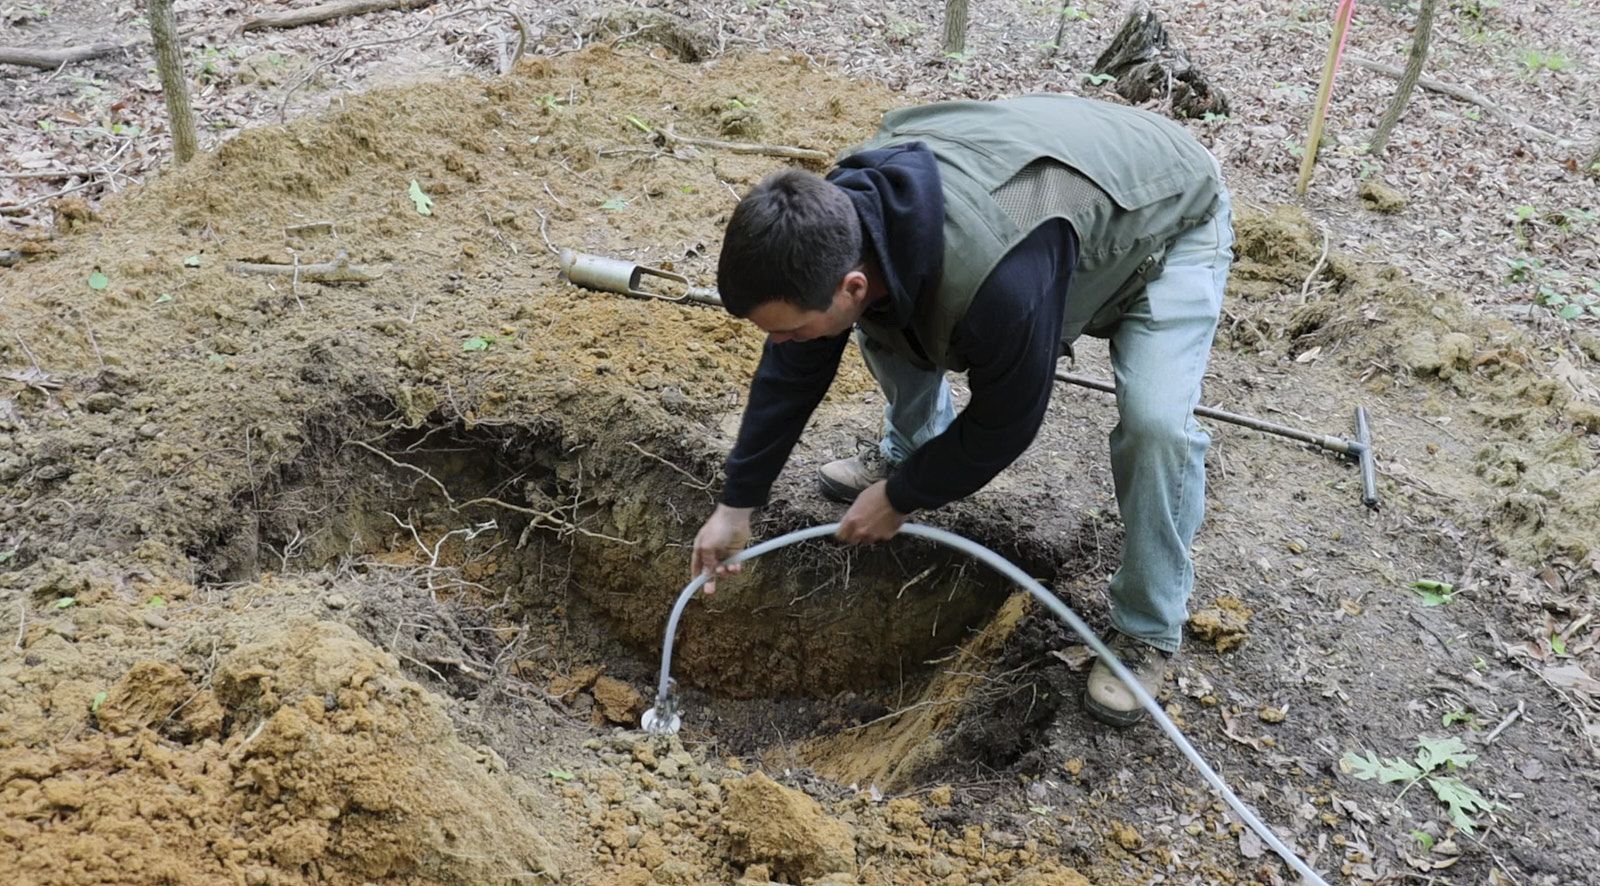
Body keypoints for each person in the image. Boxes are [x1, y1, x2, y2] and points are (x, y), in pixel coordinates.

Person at [688, 93, 1234, 727]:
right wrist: (737, 504)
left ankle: (1147, 627)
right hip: (1061, 195)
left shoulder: (999, 284)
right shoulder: (838, 221)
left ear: (851, 284)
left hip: (1163, 219)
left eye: (789, 328)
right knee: (881, 326)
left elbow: (1008, 421)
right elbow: (793, 368)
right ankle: (909, 446)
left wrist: (902, 496)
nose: (778, 344)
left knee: (1155, 425)